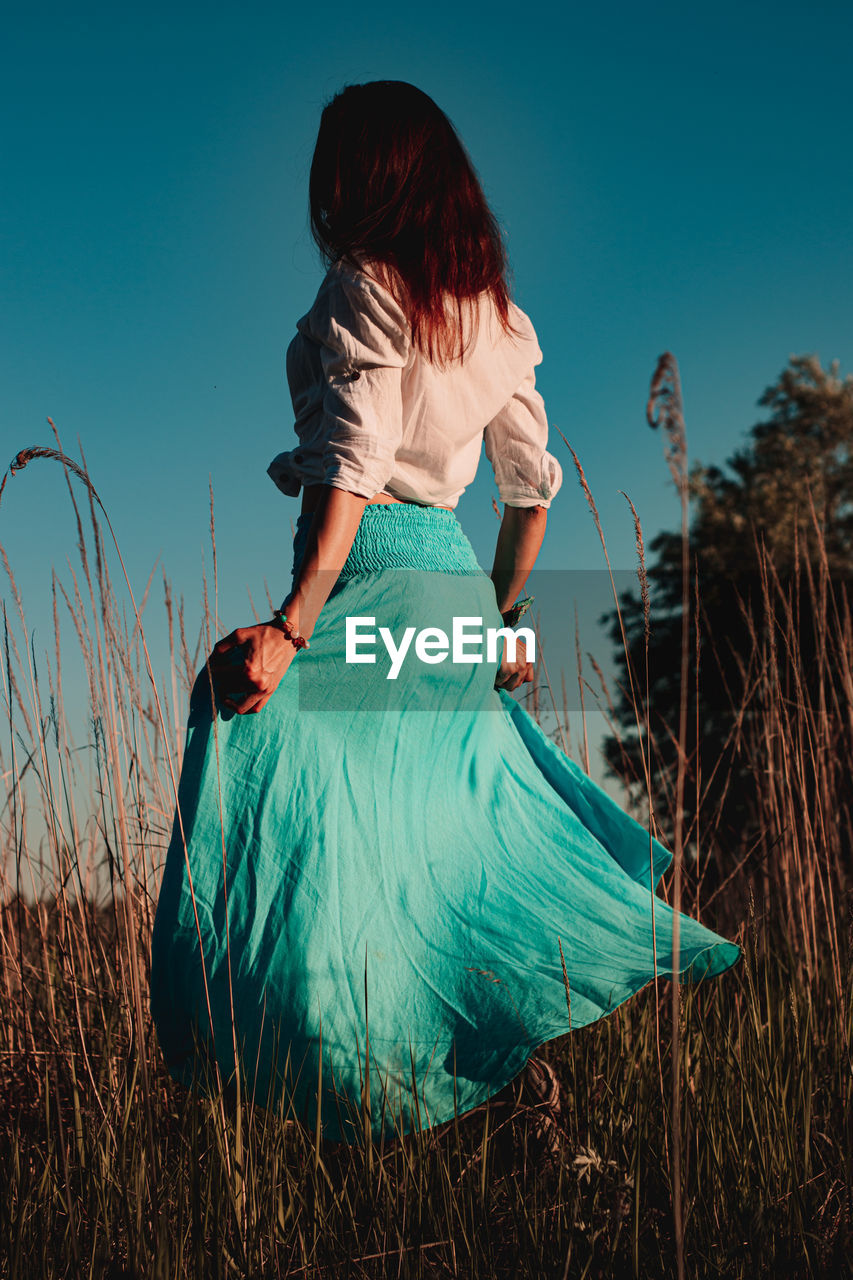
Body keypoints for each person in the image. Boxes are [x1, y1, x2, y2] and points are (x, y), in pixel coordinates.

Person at [148, 81, 741, 1147]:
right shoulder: (497, 318)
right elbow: (532, 485)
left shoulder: (364, 282)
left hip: (374, 562)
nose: (319, 187)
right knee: (428, 837)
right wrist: (503, 618)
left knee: (256, 740)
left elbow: (356, 458)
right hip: (454, 584)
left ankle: (343, 1076)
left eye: (331, 164)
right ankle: (495, 1107)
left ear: (364, 173)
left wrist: (291, 621)